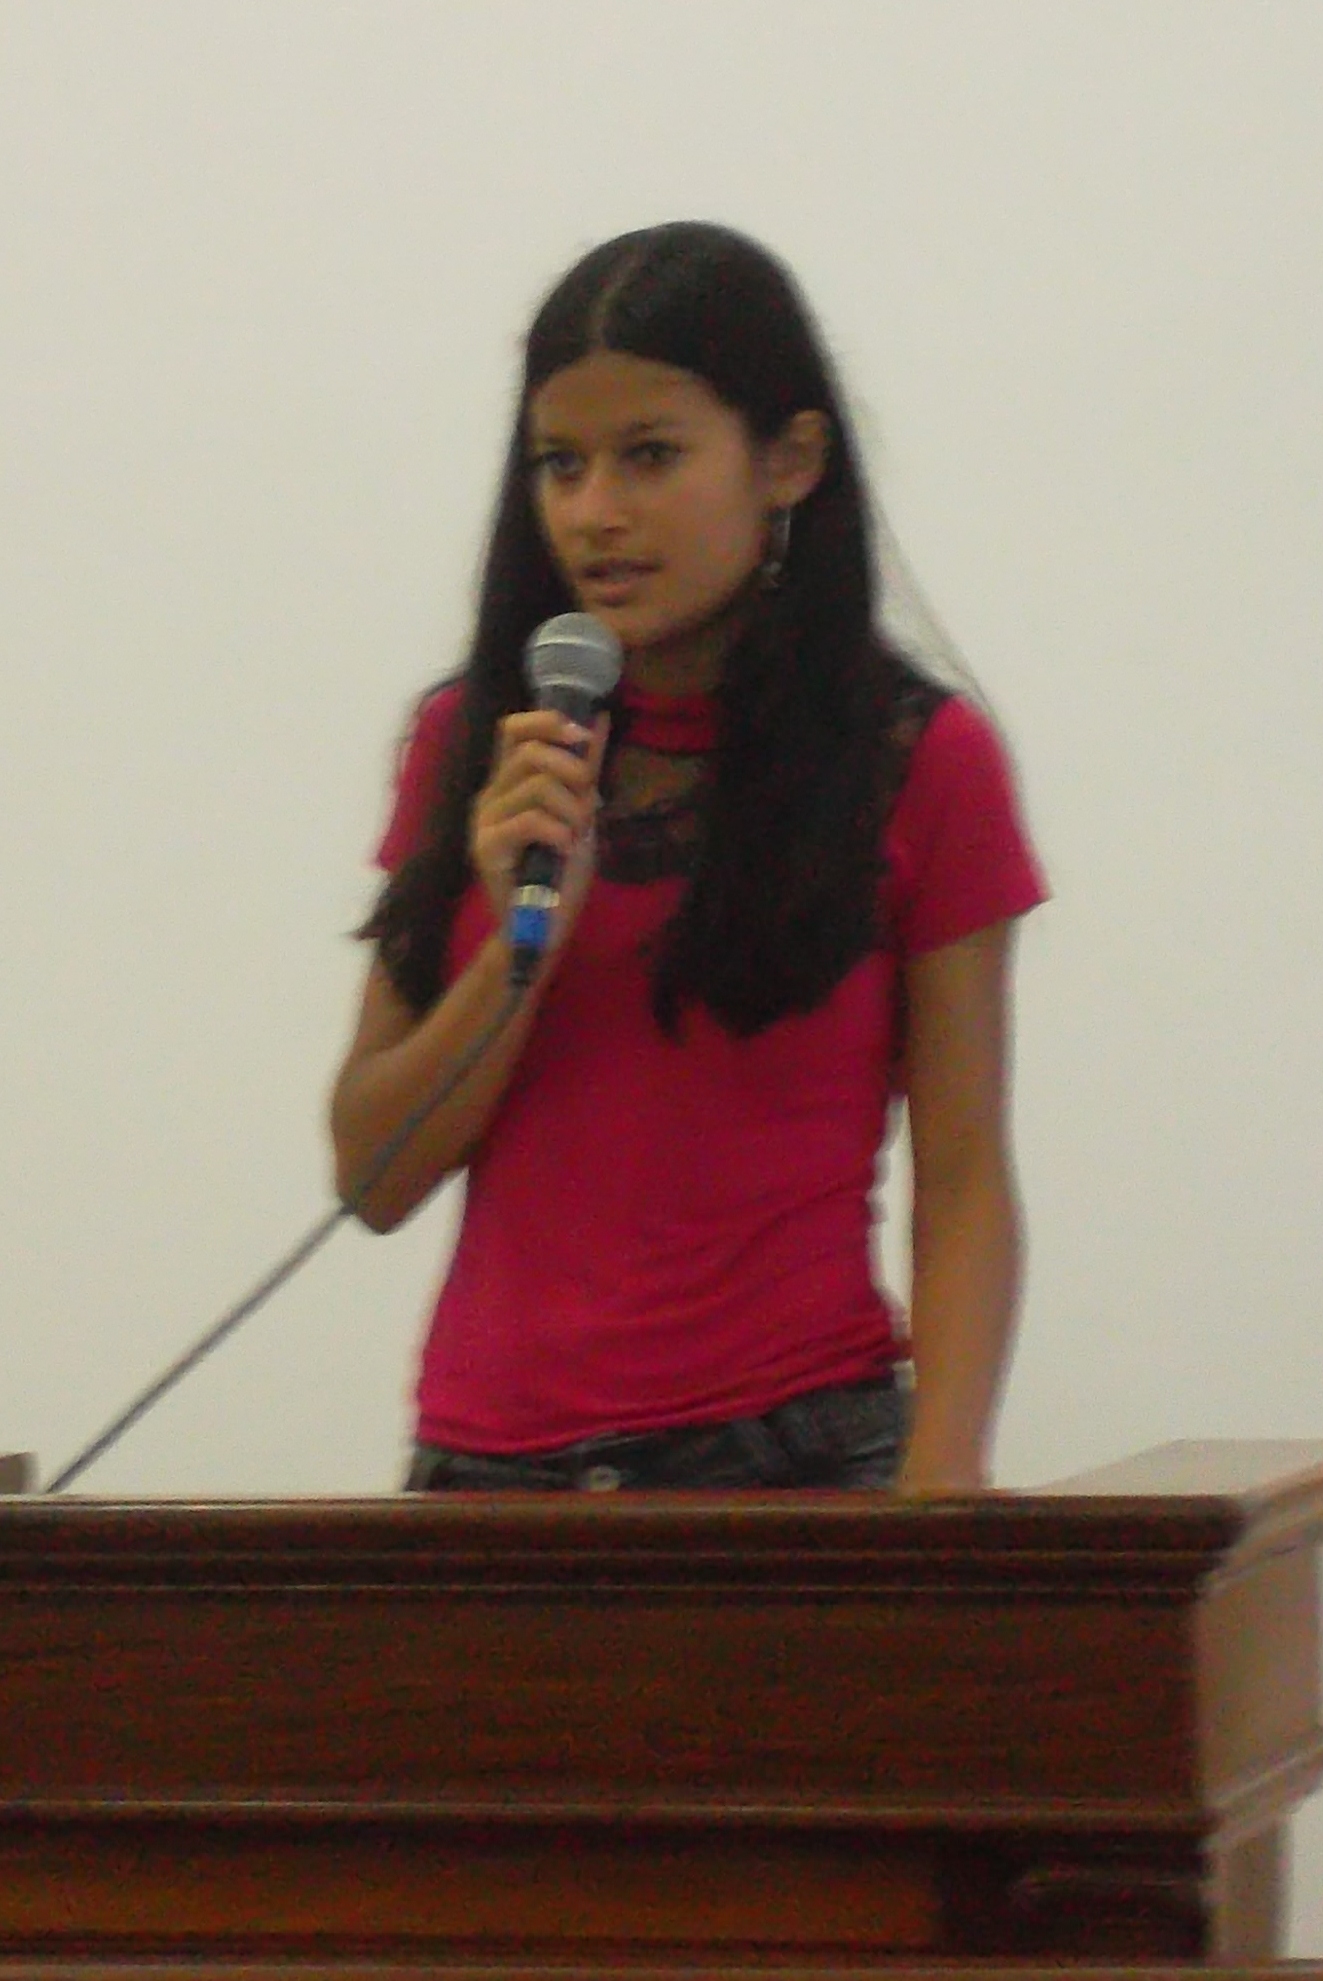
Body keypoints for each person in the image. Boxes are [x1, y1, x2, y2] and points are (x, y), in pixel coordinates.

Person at [329, 221, 1047, 1496]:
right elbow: (374, 1178)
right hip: (485, 1479)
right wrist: (520, 942)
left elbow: (965, 1175)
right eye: (560, 465)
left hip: (793, 1460)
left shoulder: (917, 760)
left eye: (650, 456)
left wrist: (941, 1499)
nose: (595, 513)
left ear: (790, 460)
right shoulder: (475, 747)